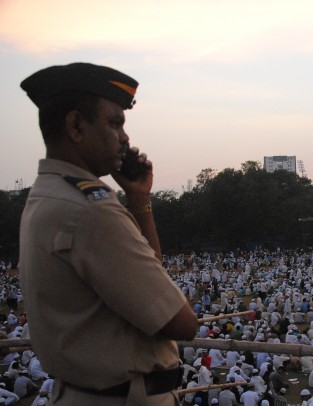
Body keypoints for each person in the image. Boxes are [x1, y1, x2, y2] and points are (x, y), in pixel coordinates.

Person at [19, 62, 198, 405]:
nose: (125, 138)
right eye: (115, 123)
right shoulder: (92, 210)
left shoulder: (49, 193)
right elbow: (180, 322)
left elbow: (147, 280)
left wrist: (139, 200)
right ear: (76, 126)